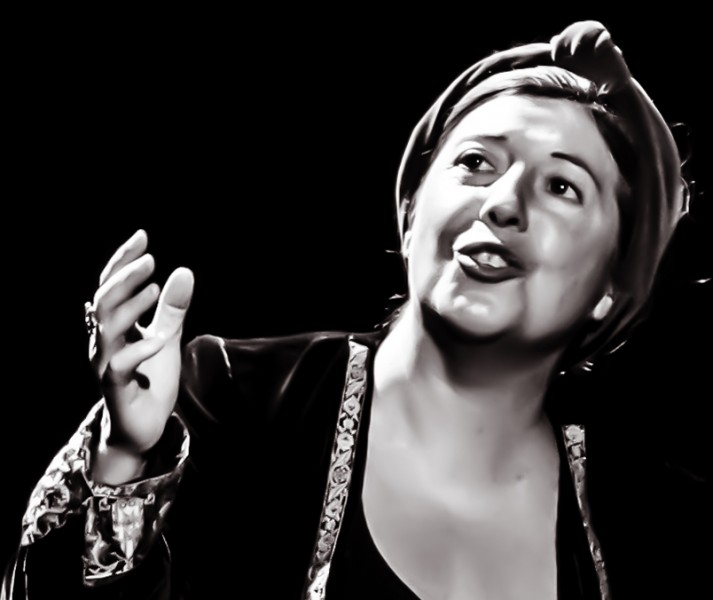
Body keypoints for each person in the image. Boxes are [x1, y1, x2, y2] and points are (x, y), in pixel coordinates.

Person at [3, 20, 708, 599]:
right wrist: (126, 462)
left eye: (561, 186)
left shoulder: (657, 527)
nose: (502, 202)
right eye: (475, 162)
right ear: (411, 212)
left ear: (611, 284)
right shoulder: (223, 401)